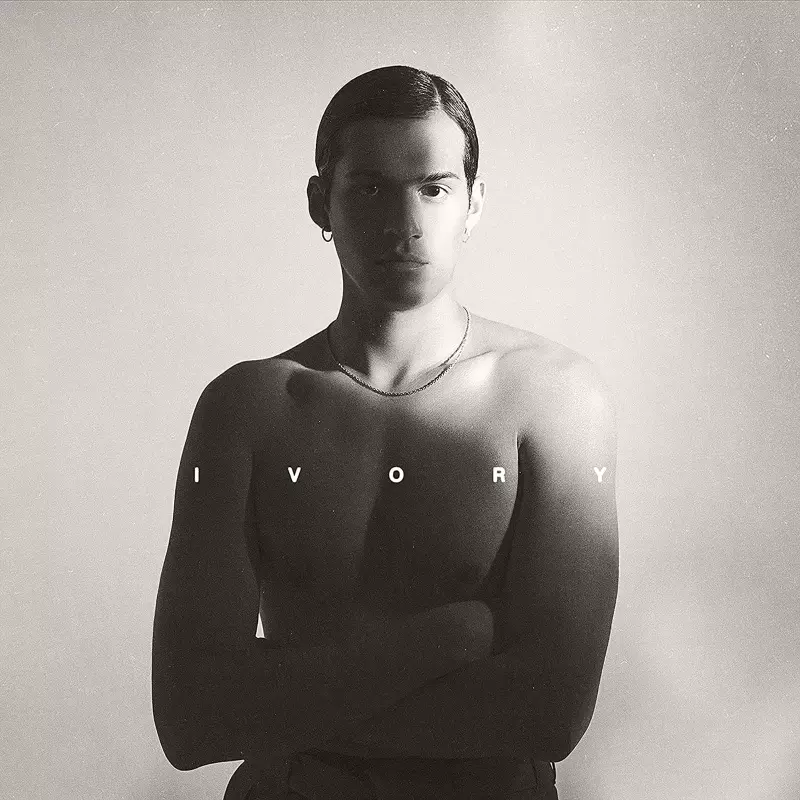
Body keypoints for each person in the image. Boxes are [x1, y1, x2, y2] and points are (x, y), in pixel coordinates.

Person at [152, 65, 619, 799]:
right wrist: (446, 640)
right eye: (370, 189)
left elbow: (549, 714)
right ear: (321, 203)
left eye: (434, 188)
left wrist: (284, 704)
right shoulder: (246, 408)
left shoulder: (555, 398)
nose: (405, 223)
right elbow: (190, 720)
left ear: (474, 204)